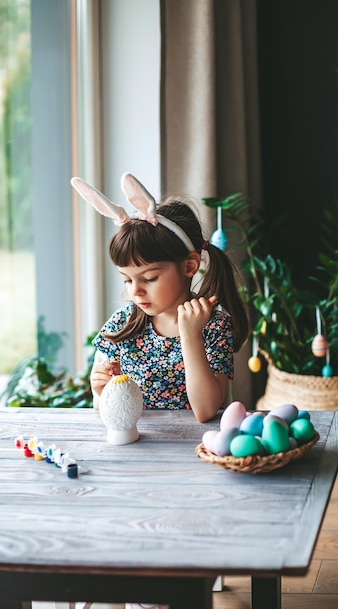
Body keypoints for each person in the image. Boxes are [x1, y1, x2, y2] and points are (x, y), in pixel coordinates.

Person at [71, 173, 249, 607]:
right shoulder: (122, 326)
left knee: (150, 581)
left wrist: (190, 337)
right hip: (134, 459)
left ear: (189, 266)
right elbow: (108, 408)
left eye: (148, 277)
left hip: (191, 461)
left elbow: (206, 410)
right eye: (127, 279)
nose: (136, 291)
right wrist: (99, 392)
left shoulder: (211, 322)